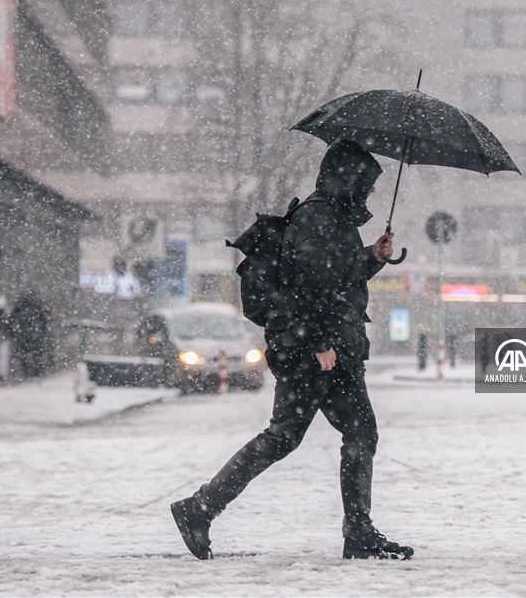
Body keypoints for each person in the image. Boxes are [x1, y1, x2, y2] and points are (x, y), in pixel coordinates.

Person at [171, 139, 413, 561]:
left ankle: (356, 531)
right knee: (295, 436)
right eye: (368, 183)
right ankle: (201, 508)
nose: (372, 192)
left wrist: (372, 255)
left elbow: (338, 275)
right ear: (347, 178)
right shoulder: (319, 215)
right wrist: (319, 342)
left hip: (327, 350)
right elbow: (306, 285)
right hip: (314, 351)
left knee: (337, 433)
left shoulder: (333, 217)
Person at [9, 292, 52, 377]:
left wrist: (14, 332)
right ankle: (37, 370)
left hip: (24, 334)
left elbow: (12, 320)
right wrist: (42, 331)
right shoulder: (36, 308)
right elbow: (44, 320)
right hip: (34, 333)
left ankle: (28, 371)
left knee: (24, 353)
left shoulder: (20, 309)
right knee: (36, 353)